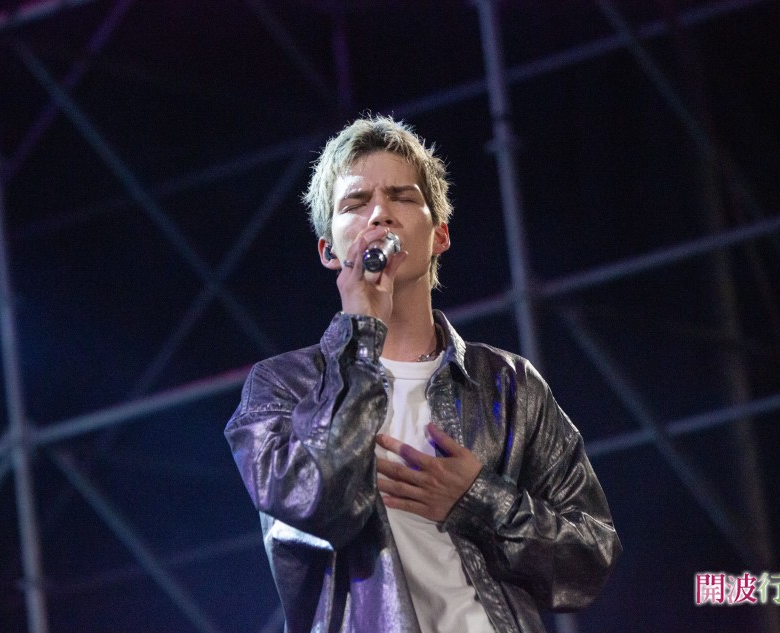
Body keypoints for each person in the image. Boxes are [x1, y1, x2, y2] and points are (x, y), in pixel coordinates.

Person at [224, 115, 621, 633]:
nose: (380, 214)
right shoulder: (282, 387)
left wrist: (477, 499)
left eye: (402, 197)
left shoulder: (508, 385)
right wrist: (361, 334)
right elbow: (317, 504)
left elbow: (591, 557)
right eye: (356, 203)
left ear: (440, 236)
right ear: (328, 251)